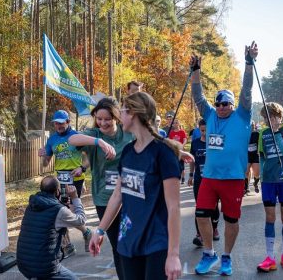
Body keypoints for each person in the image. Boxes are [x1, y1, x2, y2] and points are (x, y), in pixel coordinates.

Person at [89, 92, 190, 280]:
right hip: (128, 240)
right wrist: (100, 230)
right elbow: (117, 196)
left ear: (134, 113)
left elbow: (174, 207)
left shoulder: (163, 153)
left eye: (122, 112)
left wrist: (173, 254)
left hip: (156, 242)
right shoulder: (128, 151)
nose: (120, 117)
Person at [190, 41, 258, 276]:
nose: (220, 107)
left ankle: (226, 257)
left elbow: (247, 91)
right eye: (218, 103)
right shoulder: (209, 115)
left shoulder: (242, 115)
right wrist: (196, 71)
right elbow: (198, 97)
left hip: (233, 179)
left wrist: (249, 63)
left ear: (232, 104)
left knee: (231, 220)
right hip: (209, 177)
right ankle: (209, 254)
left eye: (225, 103)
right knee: (201, 215)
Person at [68, 97, 133, 279]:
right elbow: (72, 139)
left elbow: (150, 139)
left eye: (107, 119)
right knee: (118, 246)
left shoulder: (127, 133)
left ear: (116, 117)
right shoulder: (94, 135)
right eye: (99, 118)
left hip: (131, 196)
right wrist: (99, 142)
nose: (102, 123)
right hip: (105, 199)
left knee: (131, 242)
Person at [38, 110, 91, 254]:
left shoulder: (76, 136)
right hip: (59, 181)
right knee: (59, 211)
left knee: (70, 211)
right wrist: (43, 155)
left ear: (68, 122)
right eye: (56, 123)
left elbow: (88, 159)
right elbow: (45, 164)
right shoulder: (52, 140)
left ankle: (86, 233)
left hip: (75, 179)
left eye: (61, 123)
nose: (59, 125)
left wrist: (82, 168)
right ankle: (67, 244)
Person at [256, 102, 283, 272]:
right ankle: (270, 258)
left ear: (279, 116)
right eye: (266, 117)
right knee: (270, 217)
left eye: (271, 116)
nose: (268, 120)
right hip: (268, 181)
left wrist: (276, 133)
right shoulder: (262, 133)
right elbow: (262, 156)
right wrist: (261, 177)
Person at [16, 175, 86, 280]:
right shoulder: (59, 210)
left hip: (23, 264)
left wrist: (61, 204)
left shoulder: (32, 205)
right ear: (58, 191)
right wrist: (75, 198)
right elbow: (81, 220)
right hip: (45, 267)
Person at [188, 119, 220, 247]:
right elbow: (191, 160)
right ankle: (199, 234)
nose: (204, 133)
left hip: (213, 180)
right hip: (199, 179)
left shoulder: (215, 142)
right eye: (202, 130)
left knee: (213, 206)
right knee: (199, 206)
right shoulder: (195, 143)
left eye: (207, 130)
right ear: (199, 129)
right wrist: (190, 175)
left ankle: (215, 228)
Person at [168, 119, 188, 184]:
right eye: (174, 123)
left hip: (181, 151)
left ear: (179, 124)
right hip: (174, 152)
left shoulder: (182, 132)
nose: (175, 124)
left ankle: (183, 178)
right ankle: (176, 177)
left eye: (177, 123)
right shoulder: (171, 133)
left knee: (182, 166)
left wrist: (182, 146)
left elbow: (185, 140)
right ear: (173, 124)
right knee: (175, 165)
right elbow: (170, 141)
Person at [245, 120, 260, 195]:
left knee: (257, 174)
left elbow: (259, 144)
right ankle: (246, 188)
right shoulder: (244, 134)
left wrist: (260, 152)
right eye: (249, 126)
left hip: (255, 155)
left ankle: (255, 183)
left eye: (252, 126)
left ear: (254, 127)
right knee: (246, 172)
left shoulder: (257, 134)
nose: (251, 128)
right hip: (247, 155)